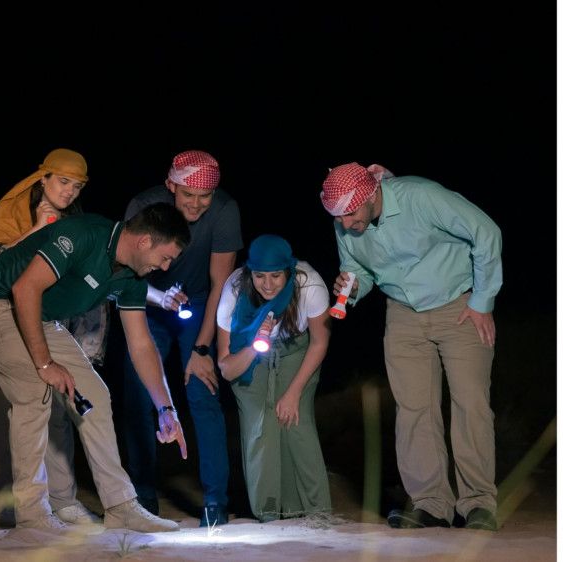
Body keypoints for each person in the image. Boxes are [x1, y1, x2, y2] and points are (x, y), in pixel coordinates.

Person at [0, 202, 191, 533]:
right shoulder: (82, 234)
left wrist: (166, 408)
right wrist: (44, 363)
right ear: (144, 242)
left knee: (95, 395)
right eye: (166, 257)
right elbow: (24, 288)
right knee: (34, 389)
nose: (165, 266)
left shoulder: (132, 277)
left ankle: (121, 505)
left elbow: (141, 345)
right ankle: (32, 514)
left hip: (38, 316)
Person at [319, 162, 502, 531]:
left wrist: (483, 301)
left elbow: (486, 231)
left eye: (350, 215)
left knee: (471, 404)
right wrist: (353, 289)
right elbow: (358, 268)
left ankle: (478, 504)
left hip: (459, 307)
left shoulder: (421, 196)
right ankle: (431, 504)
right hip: (402, 314)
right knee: (413, 409)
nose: (345, 225)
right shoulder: (346, 217)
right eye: (337, 218)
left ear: (371, 196)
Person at [0, 148, 106, 526]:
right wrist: (38, 230)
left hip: (51, 322)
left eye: (78, 186)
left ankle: (62, 500)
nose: (70, 192)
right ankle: (9, 509)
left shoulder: (74, 223)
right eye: (64, 182)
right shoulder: (6, 213)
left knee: (59, 411)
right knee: (8, 413)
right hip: (2, 318)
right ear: (42, 178)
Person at [121, 149, 243, 526]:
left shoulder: (224, 210)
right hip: (147, 302)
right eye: (187, 195)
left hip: (201, 304)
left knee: (201, 391)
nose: (196, 204)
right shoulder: (143, 205)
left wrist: (203, 348)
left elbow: (222, 283)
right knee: (139, 396)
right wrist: (158, 297)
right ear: (170, 184)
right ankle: (142, 497)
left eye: (204, 196)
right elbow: (125, 273)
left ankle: (215, 504)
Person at [214, 234, 333, 522]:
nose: (268, 284)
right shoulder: (234, 289)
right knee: (259, 425)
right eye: (260, 276)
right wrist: (256, 342)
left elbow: (320, 342)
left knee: (295, 421)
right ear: (249, 273)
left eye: (276, 276)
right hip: (249, 350)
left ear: (289, 271)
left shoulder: (310, 285)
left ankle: (314, 512)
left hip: (298, 350)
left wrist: (293, 393)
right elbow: (227, 368)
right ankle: (268, 513)